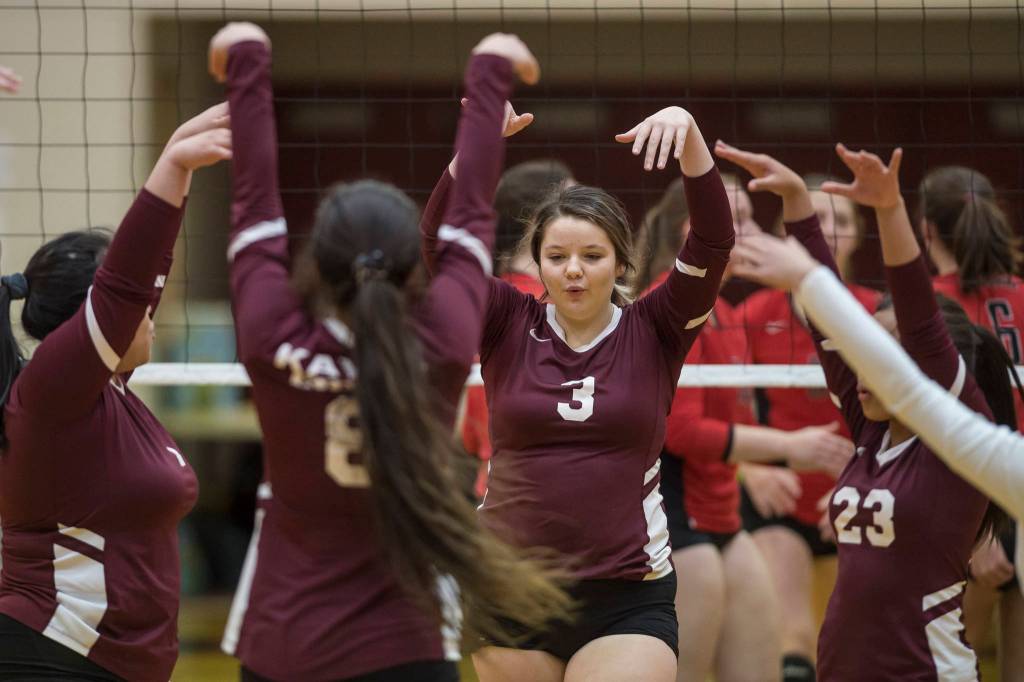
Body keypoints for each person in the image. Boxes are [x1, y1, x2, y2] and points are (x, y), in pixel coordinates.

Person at [210, 22, 572, 682]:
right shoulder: (440, 342)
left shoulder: (271, 335)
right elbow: (471, 226)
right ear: (413, 268)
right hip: (404, 644)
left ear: (316, 259)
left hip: (282, 641)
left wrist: (247, 61)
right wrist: (489, 74)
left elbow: (251, 201)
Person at [422, 102, 735, 681]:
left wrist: (690, 134)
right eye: (557, 256)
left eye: (591, 256)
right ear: (536, 263)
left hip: (626, 596)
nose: (573, 270)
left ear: (620, 263)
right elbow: (440, 251)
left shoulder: (656, 328)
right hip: (512, 586)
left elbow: (714, 243)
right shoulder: (506, 321)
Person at [725, 142, 1019, 680]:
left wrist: (889, 211)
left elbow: (920, 319)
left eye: (881, 357)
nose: (864, 371)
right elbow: (827, 324)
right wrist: (797, 205)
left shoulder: (953, 448)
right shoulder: (869, 429)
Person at [0, 102, 231, 680]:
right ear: (88, 322)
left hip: (114, 662)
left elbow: (140, 278)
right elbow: (126, 286)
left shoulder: (110, 391)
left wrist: (179, 170)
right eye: (140, 307)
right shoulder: (52, 390)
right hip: (51, 652)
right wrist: (173, 166)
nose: (152, 312)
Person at [638, 176, 853, 682]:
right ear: (697, 227)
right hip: (677, 525)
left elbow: (730, 426)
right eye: (744, 221)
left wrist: (754, 467)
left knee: (764, 665)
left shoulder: (730, 315)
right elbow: (682, 431)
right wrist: (790, 447)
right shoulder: (664, 307)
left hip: (724, 521)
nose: (756, 232)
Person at [717, 150, 882, 681]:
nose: (828, 230)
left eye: (840, 219)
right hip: (778, 498)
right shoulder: (749, 316)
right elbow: (718, 414)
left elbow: (908, 423)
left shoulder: (879, 314)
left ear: (858, 236)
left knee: (852, 648)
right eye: (814, 220)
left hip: (863, 498)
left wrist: (862, 483)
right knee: (793, 639)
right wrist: (755, 470)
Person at [918, 165, 1024, 677]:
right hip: (1016, 492)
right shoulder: (1021, 297)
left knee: (955, 658)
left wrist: (982, 527)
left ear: (927, 229)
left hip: (967, 503)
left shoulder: (927, 306)